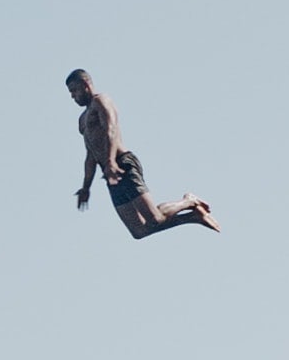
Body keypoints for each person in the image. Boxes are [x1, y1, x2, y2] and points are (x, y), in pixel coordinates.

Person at [68, 67, 218, 237]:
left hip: (121, 164)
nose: (73, 96)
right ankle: (193, 217)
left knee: (155, 218)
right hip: (110, 174)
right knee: (139, 231)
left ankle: (189, 201)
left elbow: (112, 129)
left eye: (74, 91)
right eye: (70, 93)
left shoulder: (101, 101)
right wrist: (86, 187)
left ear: (85, 84)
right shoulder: (82, 121)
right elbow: (90, 155)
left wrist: (111, 161)